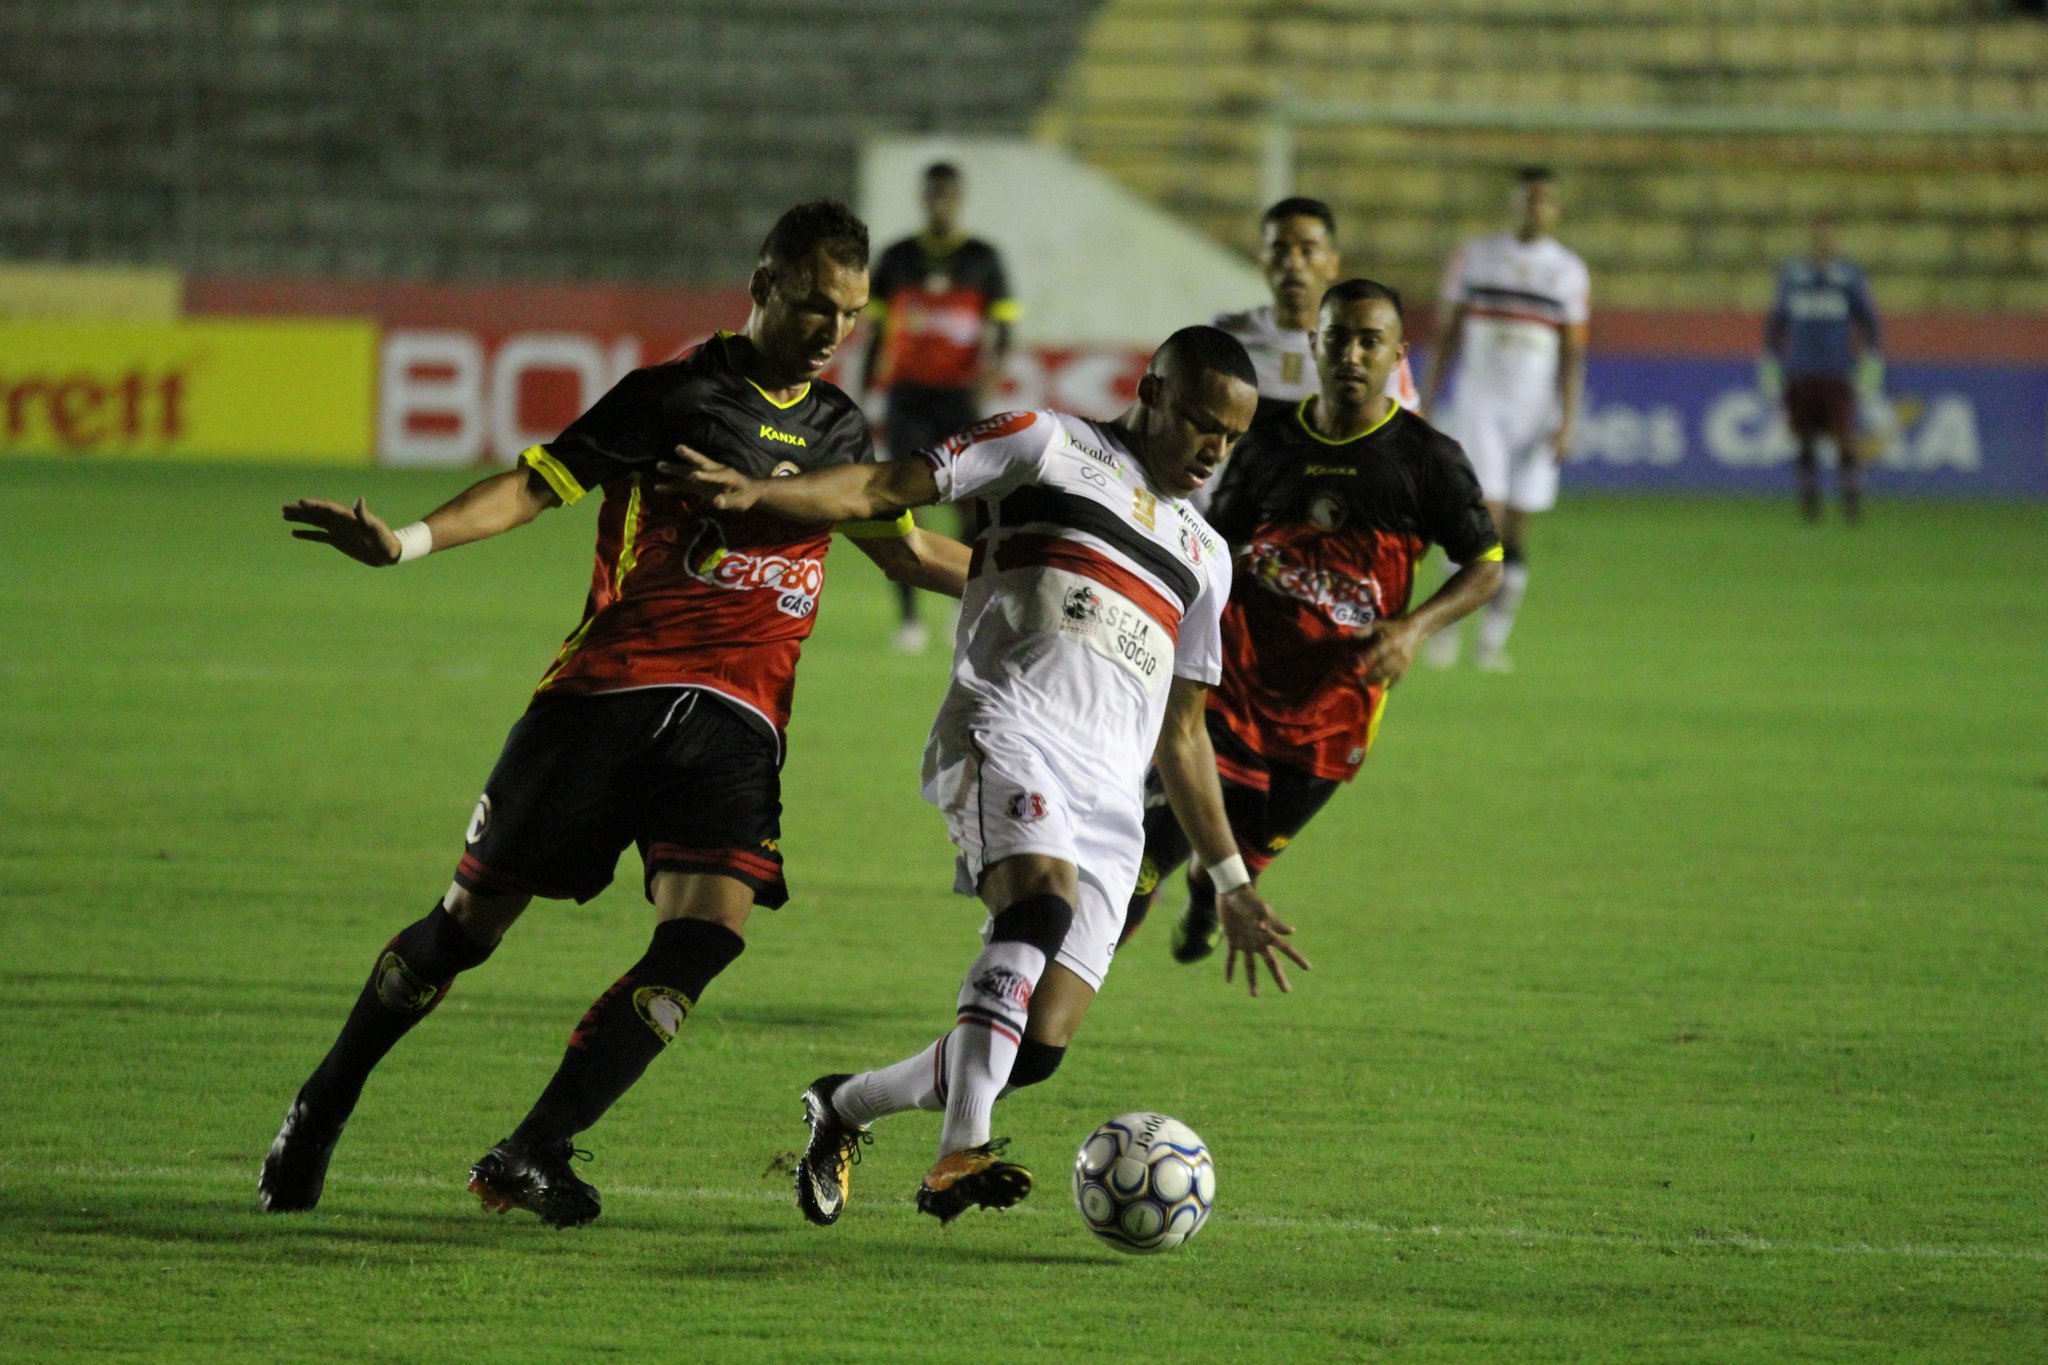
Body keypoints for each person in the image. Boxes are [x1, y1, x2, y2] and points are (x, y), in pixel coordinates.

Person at [260, 200, 970, 1228]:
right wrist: (405, 542)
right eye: (816, 304)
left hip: (738, 723)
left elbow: (905, 551)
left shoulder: (840, 427)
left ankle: (534, 1147)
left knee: (707, 932)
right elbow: (532, 488)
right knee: (465, 930)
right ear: (762, 282)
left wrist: (1065, 582)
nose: (831, 329)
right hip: (612, 695)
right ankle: (322, 1104)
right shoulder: (670, 396)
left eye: (851, 313)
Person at [665, 327, 1311, 1227]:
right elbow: (889, 487)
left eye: (1232, 438)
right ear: (1153, 390)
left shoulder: (1207, 555)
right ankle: (956, 1152)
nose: (1214, 450)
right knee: (1035, 906)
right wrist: (762, 493)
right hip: (1008, 726)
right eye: (1203, 423)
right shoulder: (1047, 443)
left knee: (1036, 1047)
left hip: (1113, 800)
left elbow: (1185, 730)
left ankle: (843, 1105)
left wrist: (1230, 878)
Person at [1130, 280, 1504, 963]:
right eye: (1339, 338)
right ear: (1314, 344)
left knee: (1245, 852)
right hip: (1231, 685)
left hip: (1334, 709)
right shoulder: (1268, 440)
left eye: (1371, 341)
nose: (1353, 355)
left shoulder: (1428, 459)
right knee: (1148, 848)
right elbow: (1213, 542)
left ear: (1399, 352)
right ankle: (1055, 990)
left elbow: (1485, 566)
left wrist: (1414, 628)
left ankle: (1211, 892)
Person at [1419, 166, 1589, 673]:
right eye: (1528, 199)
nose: (1536, 208)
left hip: (1536, 416)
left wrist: (1568, 419)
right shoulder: (1475, 257)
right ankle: (1444, 631)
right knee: (1480, 521)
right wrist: (1427, 397)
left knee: (1516, 532)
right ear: (1514, 204)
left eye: (1545, 201)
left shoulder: (1568, 271)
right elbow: (1447, 332)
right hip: (1482, 407)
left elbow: (1573, 351)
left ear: (1555, 210)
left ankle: (1492, 642)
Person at [864, 161, 1020, 653]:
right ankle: (909, 619)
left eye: (948, 195)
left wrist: (986, 383)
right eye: (933, 194)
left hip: (959, 400)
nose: (941, 203)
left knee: (971, 508)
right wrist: (869, 387)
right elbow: (875, 332)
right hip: (907, 396)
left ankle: (963, 601)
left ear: (960, 198)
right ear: (923, 197)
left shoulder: (983, 259)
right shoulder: (895, 258)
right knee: (901, 505)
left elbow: (1005, 332)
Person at [1211, 199, 1418, 460]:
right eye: (1280, 250)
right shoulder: (1226, 339)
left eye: (1307, 251)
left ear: (1333, 263)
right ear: (1262, 261)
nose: (1293, 264)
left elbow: (1407, 443)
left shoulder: (1375, 351)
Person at [1761, 214, 1883, 524]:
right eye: (1818, 234)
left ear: (1836, 238)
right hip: (1800, 370)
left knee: (1843, 437)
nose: (1823, 240)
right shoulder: (1792, 275)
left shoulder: (1849, 276)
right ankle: (1809, 504)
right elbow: (1775, 324)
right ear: (1810, 236)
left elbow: (1869, 322)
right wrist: (1771, 363)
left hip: (1838, 370)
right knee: (1803, 439)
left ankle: (1850, 501)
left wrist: (1871, 363)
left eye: (1828, 234)